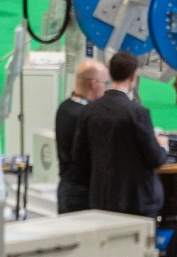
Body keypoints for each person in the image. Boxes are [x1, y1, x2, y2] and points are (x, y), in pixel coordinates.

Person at [71, 50, 168, 217]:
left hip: (101, 198)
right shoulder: (138, 113)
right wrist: (163, 146)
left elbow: (79, 155)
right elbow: (156, 159)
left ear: (110, 73)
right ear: (133, 76)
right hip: (136, 201)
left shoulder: (89, 110)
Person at [55, 59, 108, 214]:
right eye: (105, 83)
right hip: (83, 192)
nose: (106, 89)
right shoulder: (87, 116)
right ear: (93, 83)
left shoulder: (64, 107)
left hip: (66, 185)